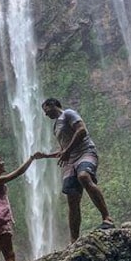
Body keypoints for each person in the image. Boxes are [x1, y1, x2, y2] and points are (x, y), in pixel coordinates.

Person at [39, 98, 114, 242]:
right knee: (72, 199)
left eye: (46, 110)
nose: (45, 114)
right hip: (70, 161)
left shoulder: (69, 113)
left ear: (53, 105)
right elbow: (63, 150)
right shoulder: (56, 127)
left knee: (84, 176)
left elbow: (82, 130)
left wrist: (67, 151)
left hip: (86, 152)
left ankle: (107, 218)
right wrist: (45, 156)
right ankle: (74, 240)